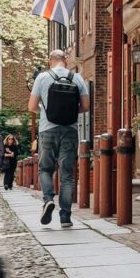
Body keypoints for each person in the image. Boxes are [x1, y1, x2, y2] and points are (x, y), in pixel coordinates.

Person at [28, 50, 89, 228]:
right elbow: (85, 107)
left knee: (45, 169)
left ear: (50, 61)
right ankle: (65, 217)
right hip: (70, 129)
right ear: (66, 60)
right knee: (67, 175)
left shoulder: (42, 77)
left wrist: (47, 111)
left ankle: (48, 200)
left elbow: (32, 106)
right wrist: (69, 111)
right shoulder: (77, 78)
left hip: (47, 129)